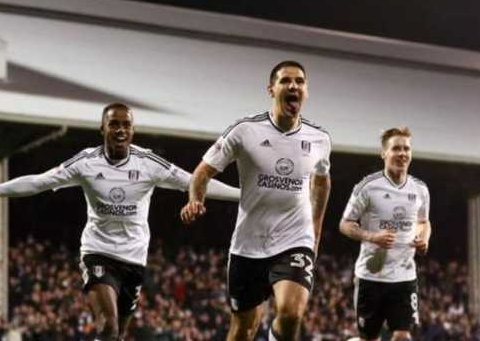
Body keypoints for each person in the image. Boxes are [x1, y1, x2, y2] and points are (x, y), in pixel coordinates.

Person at [0, 102, 240, 341]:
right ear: (102, 129)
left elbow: (195, 182)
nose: (121, 129)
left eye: (126, 124)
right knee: (107, 328)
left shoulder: (149, 163)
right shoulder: (86, 162)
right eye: (114, 124)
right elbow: (37, 182)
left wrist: (243, 196)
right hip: (98, 252)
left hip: (135, 259)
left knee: (118, 334)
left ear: (133, 130)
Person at [182, 60, 332, 341]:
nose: (293, 86)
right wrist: (195, 199)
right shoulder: (245, 130)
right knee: (243, 330)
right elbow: (202, 171)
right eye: (286, 81)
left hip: (294, 240)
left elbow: (322, 181)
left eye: (300, 82)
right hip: (249, 245)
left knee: (291, 314)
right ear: (271, 89)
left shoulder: (320, 139)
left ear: (306, 91)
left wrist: (315, 227)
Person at [339, 126, 431, 341]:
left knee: (403, 336)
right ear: (384, 153)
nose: (402, 153)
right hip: (371, 276)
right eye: (396, 148)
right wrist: (373, 237)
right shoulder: (367, 187)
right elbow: (345, 224)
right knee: (370, 338)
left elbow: (424, 221)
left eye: (406, 148)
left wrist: (423, 238)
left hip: (404, 276)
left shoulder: (420, 189)